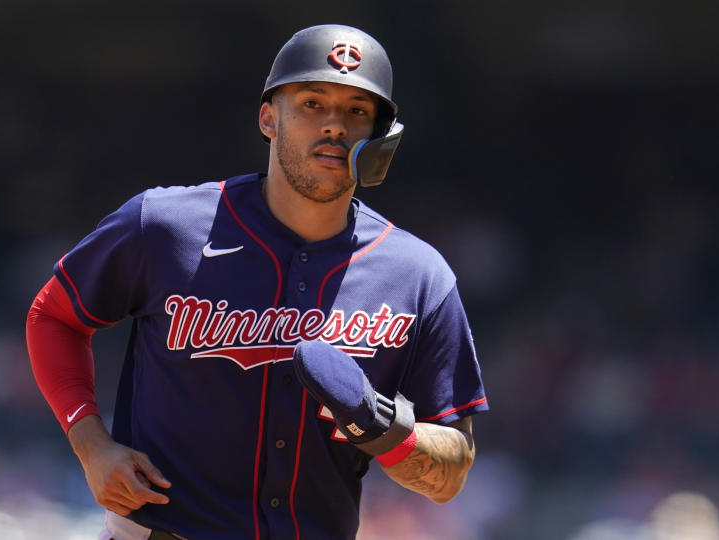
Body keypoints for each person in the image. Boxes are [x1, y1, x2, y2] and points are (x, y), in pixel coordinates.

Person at [26, 24, 488, 540]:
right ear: (269, 118)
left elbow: (452, 470)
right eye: (313, 103)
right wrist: (91, 443)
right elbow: (54, 316)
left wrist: (384, 431)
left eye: (357, 111)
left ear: (381, 137)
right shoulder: (163, 226)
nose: (335, 125)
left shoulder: (418, 275)